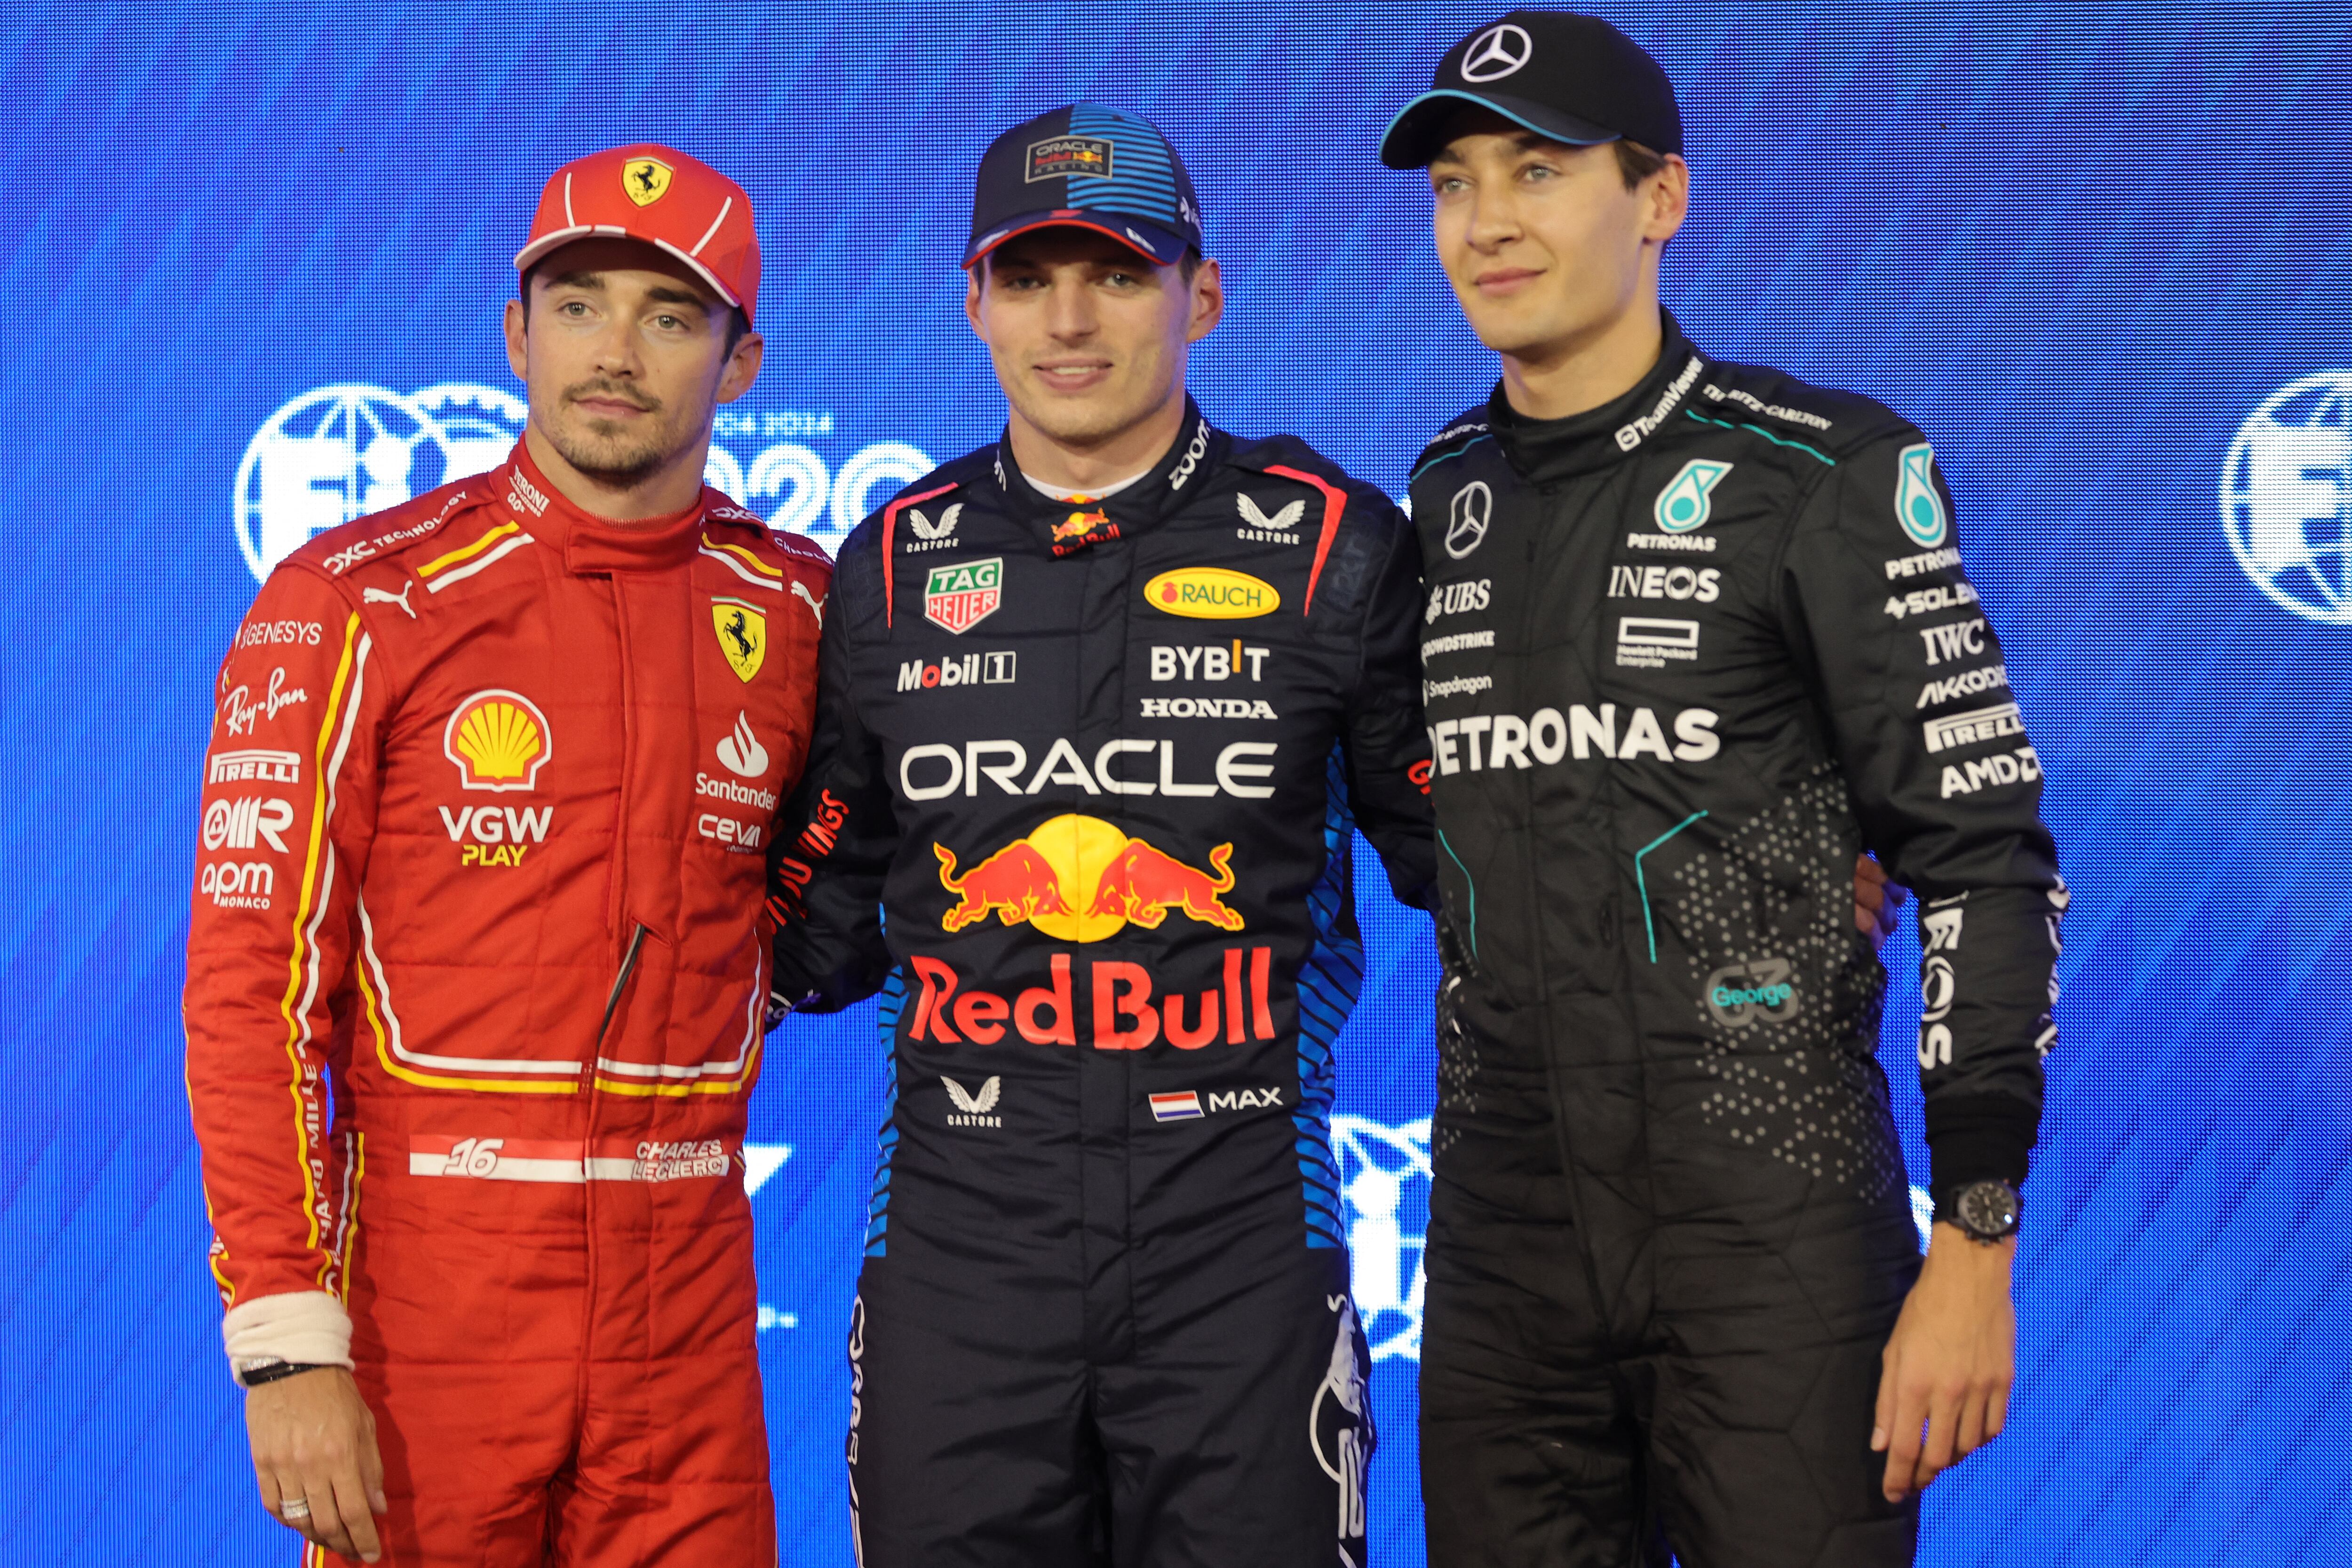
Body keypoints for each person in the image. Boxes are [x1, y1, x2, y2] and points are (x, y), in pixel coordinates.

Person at [1380, 13, 2066, 1566]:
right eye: (1454, 184)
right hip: (1502, 1259)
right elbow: (1456, 818)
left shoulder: (1822, 470)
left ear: (1661, 199)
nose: (1487, 222)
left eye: (1538, 172)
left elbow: (1983, 862)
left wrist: (1974, 1243)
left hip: (1773, 1237)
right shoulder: (1444, 494)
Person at [763, 104, 1434, 1567]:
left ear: (1203, 294)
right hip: (957, 1254)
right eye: (1029, 279)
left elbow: (1482, 850)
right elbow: (812, 929)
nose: (1069, 322)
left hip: (1241, 1244)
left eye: (1119, 275)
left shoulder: (1332, 542)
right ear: (976, 304)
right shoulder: (893, 563)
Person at [183, 143, 829, 1566]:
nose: (616, 353)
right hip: (434, 1303)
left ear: (740, 364)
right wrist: (287, 1343)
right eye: (579, 305)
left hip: (689, 1308)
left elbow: (837, 879)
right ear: (517, 336)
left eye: (669, 316)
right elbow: (251, 988)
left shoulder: (801, 611)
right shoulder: (356, 600)